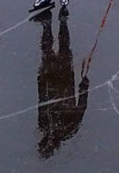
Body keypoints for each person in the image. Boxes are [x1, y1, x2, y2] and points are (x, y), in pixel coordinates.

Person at [35, 10, 88, 157]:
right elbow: (81, 108)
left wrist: (40, 83)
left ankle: (49, 26)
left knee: (49, 53)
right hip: (63, 86)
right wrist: (84, 88)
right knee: (63, 51)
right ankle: (61, 24)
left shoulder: (45, 126)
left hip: (52, 84)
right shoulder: (68, 130)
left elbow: (41, 102)